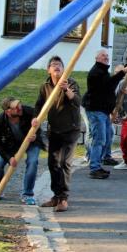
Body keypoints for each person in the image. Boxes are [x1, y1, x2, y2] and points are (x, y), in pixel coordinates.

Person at [0, 97, 45, 205]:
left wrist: (35, 135)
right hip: (11, 145)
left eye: (19, 104)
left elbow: (38, 113)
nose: (19, 108)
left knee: (32, 162)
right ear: (8, 111)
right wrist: (9, 157)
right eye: (15, 107)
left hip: (32, 142)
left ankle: (27, 194)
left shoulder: (27, 111)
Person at [37, 56, 82, 213]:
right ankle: (56, 196)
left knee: (64, 163)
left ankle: (63, 199)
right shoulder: (45, 86)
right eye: (53, 65)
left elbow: (77, 102)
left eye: (59, 65)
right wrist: (35, 119)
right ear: (48, 70)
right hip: (54, 129)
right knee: (53, 164)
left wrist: (66, 90)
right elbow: (39, 105)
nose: (56, 67)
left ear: (64, 69)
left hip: (71, 129)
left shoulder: (71, 83)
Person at [82, 49, 127, 179]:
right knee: (99, 139)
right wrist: (122, 72)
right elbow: (107, 85)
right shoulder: (96, 72)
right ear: (97, 58)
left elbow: (108, 89)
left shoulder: (103, 71)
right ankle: (95, 167)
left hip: (102, 111)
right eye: (103, 55)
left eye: (107, 56)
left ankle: (101, 161)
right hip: (96, 111)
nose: (106, 57)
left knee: (106, 136)